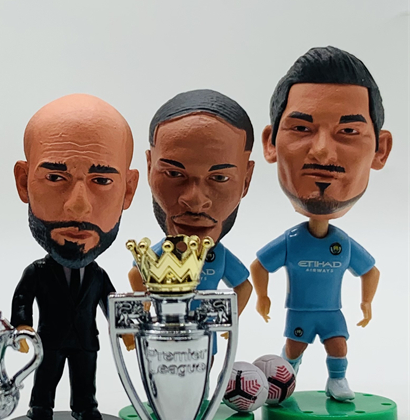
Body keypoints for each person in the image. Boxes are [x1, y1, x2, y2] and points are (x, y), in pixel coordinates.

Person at [250, 47, 392, 401]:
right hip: (298, 313)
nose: (323, 153)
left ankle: (336, 381)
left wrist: (367, 304)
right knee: (293, 350)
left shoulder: (343, 244)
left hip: (332, 313)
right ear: (270, 144)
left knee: (339, 346)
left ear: (381, 150)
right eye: (301, 128)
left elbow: (370, 270)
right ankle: (284, 381)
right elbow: (259, 265)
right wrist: (263, 296)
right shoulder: (290, 241)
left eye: (348, 130)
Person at [11, 94, 139, 420]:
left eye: (103, 181)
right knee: (46, 377)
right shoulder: (37, 273)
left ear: (128, 190)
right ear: (23, 182)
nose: (78, 207)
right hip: (49, 341)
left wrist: (123, 330)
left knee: (85, 379)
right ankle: (40, 410)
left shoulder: (98, 275)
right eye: (55, 178)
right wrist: (22, 325)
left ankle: (86, 409)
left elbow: (111, 304)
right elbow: (22, 299)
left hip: (85, 340)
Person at [129, 90, 255, 353]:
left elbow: (244, 286)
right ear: (149, 167)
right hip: (164, 340)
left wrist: (229, 321)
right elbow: (135, 273)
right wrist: (143, 310)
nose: (195, 202)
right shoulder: (159, 253)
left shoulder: (219, 257)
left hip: (204, 338)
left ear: (246, 179)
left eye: (219, 178)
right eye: (174, 174)